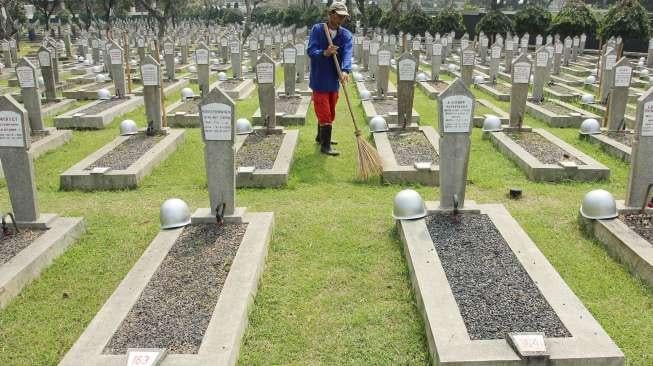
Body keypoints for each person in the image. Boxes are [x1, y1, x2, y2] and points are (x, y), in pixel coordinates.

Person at [307, 1, 353, 156]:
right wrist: (324, 53)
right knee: (324, 111)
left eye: (343, 17)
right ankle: (325, 146)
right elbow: (311, 50)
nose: (341, 19)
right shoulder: (318, 30)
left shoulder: (345, 35)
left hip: (334, 78)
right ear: (331, 14)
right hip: (320, 77)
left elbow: (347, 52)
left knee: (331, 109)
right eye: (338, 16)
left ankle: (321, 136)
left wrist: (345, 71)